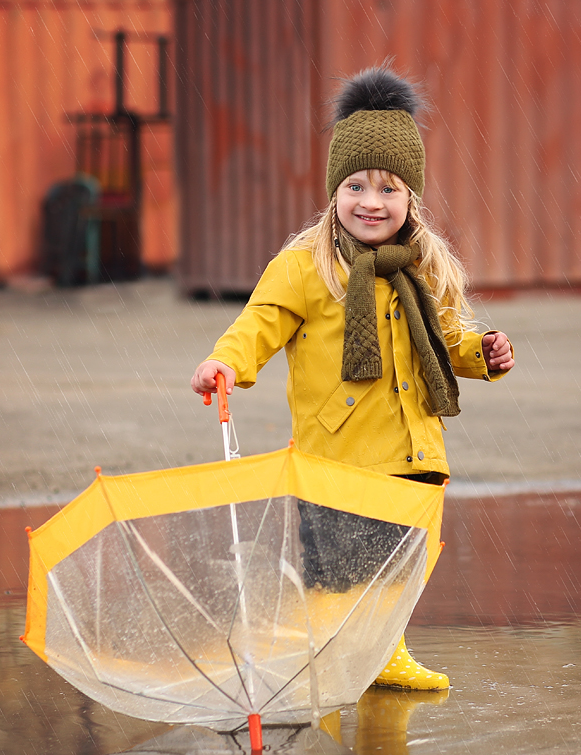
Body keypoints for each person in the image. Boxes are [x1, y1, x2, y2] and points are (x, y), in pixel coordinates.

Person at [190, 66, 514, 691]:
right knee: (335, 569)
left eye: (389, 188)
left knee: (399, 563)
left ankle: (384, 653)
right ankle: (325, 659)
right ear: (334, 192)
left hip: (411, 448)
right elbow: (259, 322)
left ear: (411, 198)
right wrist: (227, 362)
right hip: (336, 452)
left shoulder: (421, 267)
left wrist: (482, 353)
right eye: (356, 185)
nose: (372, 201)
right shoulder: (304, 267)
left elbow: (446, 339)